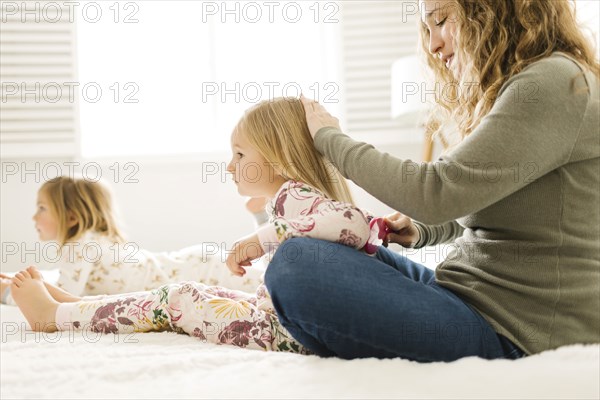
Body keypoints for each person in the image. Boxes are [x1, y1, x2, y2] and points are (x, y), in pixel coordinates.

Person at [262, 0, 600, 362]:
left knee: (297, 264)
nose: (433, 44)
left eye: (440, 21)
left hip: (513, 331)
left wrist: (330, 139)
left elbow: (435, 191)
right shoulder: (530, 83)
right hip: (466, 296)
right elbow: (479, 201)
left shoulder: (557, 82)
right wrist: (422, 229)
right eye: (427, 29)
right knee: (320, 252)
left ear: (493, 10)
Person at [9, 97, 390, 353]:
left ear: (279, 158)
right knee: (186, 293)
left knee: (180, 299)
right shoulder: (290, 198)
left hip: (286, 331)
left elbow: (351, 221)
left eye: (239, 154)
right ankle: (81, 309)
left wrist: (260, 237)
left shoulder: (297, 194)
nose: (229, 165)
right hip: (280, 317)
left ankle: (53, 318)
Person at [0, 175, 265, 305]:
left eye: (42, 208)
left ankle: (264, 219)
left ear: (71, 218)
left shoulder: (81, 245)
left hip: (204, 271)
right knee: (270, 272)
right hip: (196, 263)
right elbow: (61, 280)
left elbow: (64, 296)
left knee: (271, 284)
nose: (34, 216)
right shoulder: (90, 242)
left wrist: (11, 292)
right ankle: (263, 218)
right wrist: (14, 278)